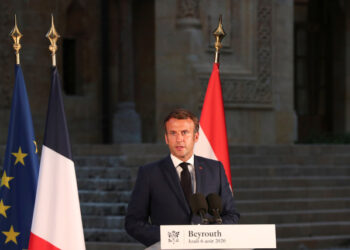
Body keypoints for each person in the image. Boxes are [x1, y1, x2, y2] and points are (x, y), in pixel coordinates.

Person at [125, 108, 240, 247]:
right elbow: (133, 223)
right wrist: (171, 238)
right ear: (166, 138)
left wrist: (210, 235)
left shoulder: (215, 170)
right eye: (173, 133)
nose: (179, 139)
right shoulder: (149, 173)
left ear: (196, 137)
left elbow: (231, 215)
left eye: (184, 133)